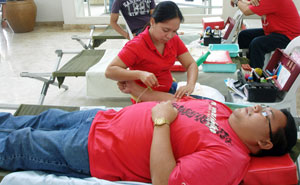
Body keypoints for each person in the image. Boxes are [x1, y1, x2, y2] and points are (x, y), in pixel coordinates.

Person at [0, 92, 297, 185]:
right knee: (41, 118)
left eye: (266, 115)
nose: (257, 107)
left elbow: (164, 179)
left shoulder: (229, 159)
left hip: (96, 150)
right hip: (101, 119)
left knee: (22, 142)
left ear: (265, 143)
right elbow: (172, 102)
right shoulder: (222, 109)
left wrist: (160, 121)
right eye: (264, 106)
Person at [106, 1, 199, 100]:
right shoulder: (137, 45)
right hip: (145, 96)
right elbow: (110, 71)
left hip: (168, 89)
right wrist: (140, 74)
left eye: (174, 31)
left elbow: (191, 64)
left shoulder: (173, 39)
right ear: (153, 22)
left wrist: (190, 84)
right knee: (187, 105)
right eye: (165, 30)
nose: (169, 36)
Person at [231, 0, 300, 68]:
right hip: (275, 31)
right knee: (244, 35)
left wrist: (237, 1)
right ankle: (247, 63)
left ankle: (256, 76)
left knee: (257, 43)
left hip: (289, 36)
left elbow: (246, 11)